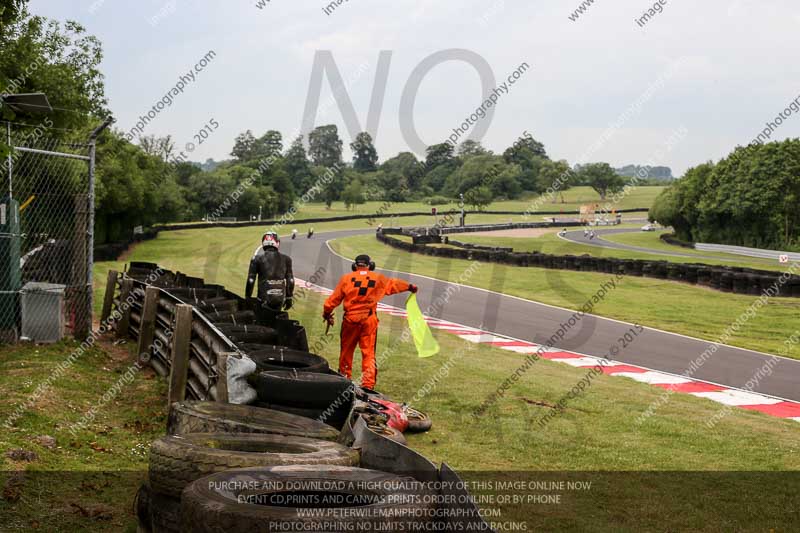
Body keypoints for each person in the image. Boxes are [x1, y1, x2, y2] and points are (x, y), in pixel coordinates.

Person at [322, 254, 418, 390]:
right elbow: (394, 284)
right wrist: (410, 287)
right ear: (370, 266)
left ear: (355, 266)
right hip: (368, 320)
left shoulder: (346, 279)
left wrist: (326, 314)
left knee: (346, 352)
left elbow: (331, 302)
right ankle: (367, 384)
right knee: (368, 353)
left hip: (350, 320)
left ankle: (344, 378)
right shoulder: (378, 278)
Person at [245, 231, 294, 325]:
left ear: (263, 243)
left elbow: (251, 280)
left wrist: (248, 297)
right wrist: (289, 298)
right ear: (277, 243)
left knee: (261, 323)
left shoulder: (257, 259)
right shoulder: (287, 259)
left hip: (263, 298)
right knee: (276, 322)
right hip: (279, 298)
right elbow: (290, 281)